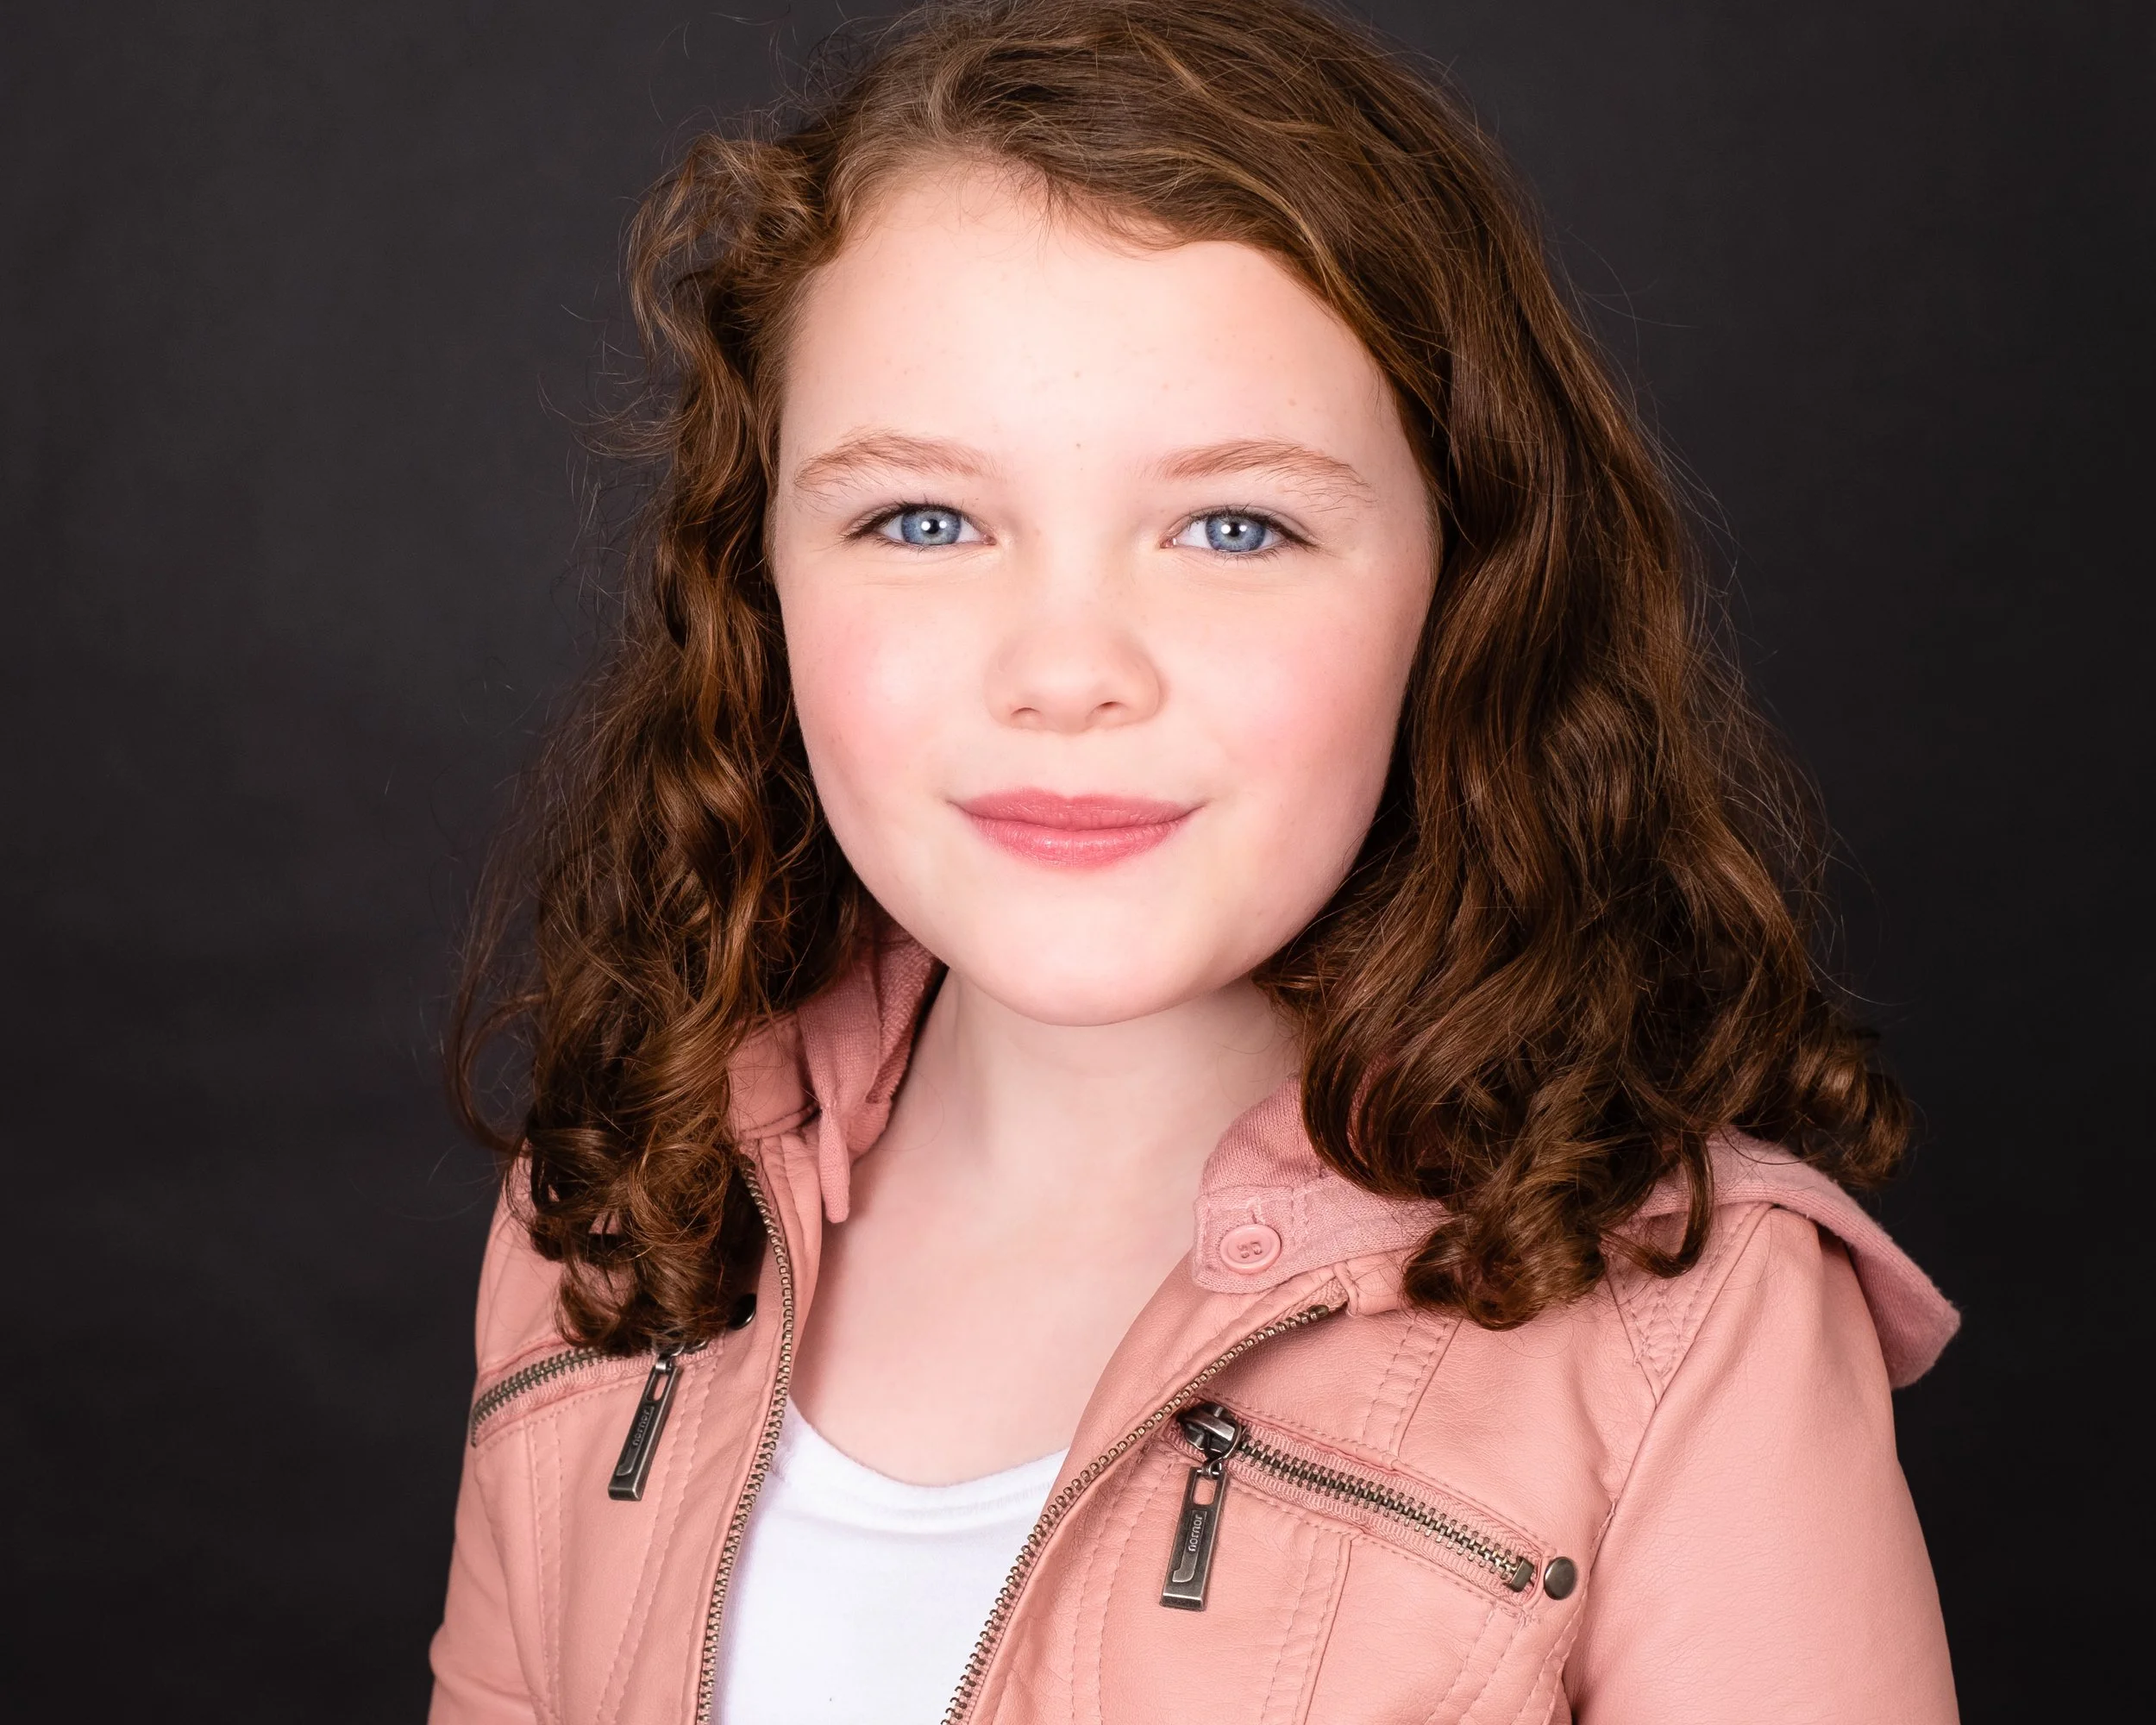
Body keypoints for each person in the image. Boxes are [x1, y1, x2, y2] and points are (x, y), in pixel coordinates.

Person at [429, 1, 1960, 1719]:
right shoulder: (633, 1197)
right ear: (759, 574)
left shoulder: (1693, 1333)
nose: (1067, 667)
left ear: (1458, 595)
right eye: (920, 520)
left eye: (1234, 525)